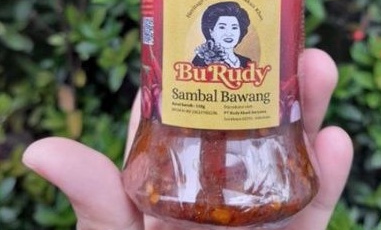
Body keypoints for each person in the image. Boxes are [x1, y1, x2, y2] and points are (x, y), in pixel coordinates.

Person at [22, 48, 353, 230]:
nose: (228, 32)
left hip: (272, 173)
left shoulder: (247, 60)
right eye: (220, 26)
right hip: (176, 176)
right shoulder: (199, 56)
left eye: (234, 27)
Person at [192, 1, 251, 68]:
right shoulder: (202, 60)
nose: (229, 33)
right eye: (222, 27)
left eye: (234, 28)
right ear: (211, 31)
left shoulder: (247, 62)